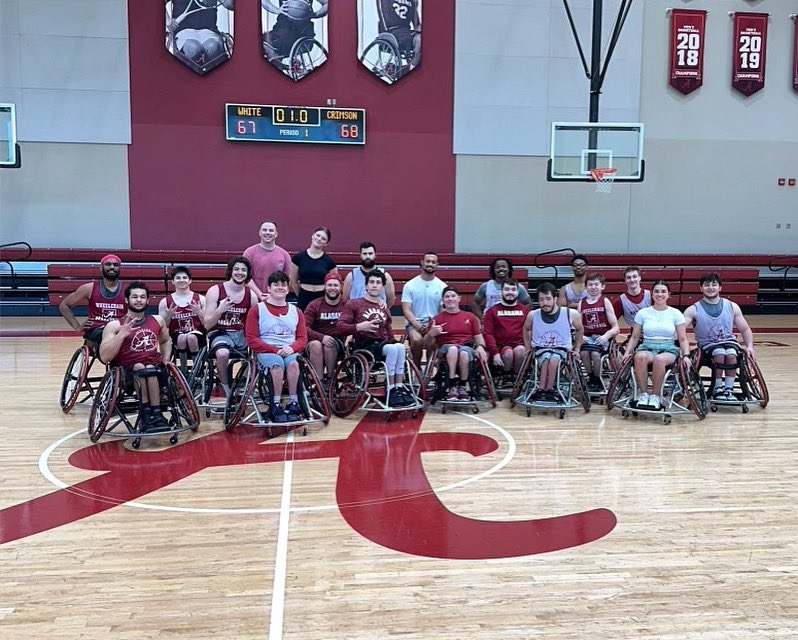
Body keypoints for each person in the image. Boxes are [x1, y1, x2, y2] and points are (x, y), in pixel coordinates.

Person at [99, 282, 172, 432]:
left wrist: (166, 360)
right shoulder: (114, 325)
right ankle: (145, 414)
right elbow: (105, 356)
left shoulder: (158, 320)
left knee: (150, 368)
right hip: (128, 373)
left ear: (147, 300)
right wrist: (121, 335)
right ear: (126, 300)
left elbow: (166, 340)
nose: (138, 300)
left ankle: (157, 414)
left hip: (155, 369)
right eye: (134, 297)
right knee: (140, 367)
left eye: (142, 297)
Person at [338, 270, 411, 407]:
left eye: (378, 283)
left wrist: (394, 340)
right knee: (391, 349)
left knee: (399, 347)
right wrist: (359, 327)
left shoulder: (383, 307)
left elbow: (388, 329)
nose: (374, 285)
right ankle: (390, 388)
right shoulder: (354, 304)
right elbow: (340, 326)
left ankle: (399, 386)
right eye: (371, 282)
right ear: (366, 286)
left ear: (382, 287)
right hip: (364, 346)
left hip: (382, 345)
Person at [245, 270, 308, 423]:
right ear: (269, 288)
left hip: (289, 348)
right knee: (277, 365)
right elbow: (252, 339)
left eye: (283, 285)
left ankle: (294, 402)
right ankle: (276, 404)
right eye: (276, 285)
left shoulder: (296, 311)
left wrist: (292, 348)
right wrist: (275, 350)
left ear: (288, 288)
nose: (280, 288)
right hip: (267, 349)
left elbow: (302, 338)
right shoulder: (257, 309)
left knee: (293, 364)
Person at [682, 272, 756, 400]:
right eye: (706, 285)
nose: (710, 287)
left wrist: (750, 346)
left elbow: (745, 329)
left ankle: (728, 389)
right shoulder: (693, 309)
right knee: (720, 352)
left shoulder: (732, 306)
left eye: (714, 284)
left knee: (732, 354)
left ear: (720, 287)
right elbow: (680, 330)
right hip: (707, 345)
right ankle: (717, 388)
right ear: (701, 288)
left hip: (729, 341)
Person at [623, 280, 691, 411]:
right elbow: (635, 337)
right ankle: (643, 394)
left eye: (663, 291)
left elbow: (682, 339)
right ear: (652, 295)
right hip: (648, 345)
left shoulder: (676, 313)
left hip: (668, 348)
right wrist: (627, 352)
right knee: (640, 357)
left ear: (668, 295)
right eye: (657, 291)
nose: (660, 294)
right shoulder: (643, 313)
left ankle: (655, 396)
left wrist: (686, 355)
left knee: (659, 360)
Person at [204, 256, 259, 396]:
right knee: (223, 353)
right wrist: (220, 310)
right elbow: (207, 324)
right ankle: (225, 386)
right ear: (230, 271)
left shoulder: (251, 295)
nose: (240, 273)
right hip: (219, 332)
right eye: (236, 269)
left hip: (240, 334)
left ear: (248, 274)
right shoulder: (215, 290)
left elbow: (253, 324)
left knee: (258, 350)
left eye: (243, 270)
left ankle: (246, 383)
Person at [522, 282, 584, 401]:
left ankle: (549, 389)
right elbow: (525, 329)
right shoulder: (533, 315)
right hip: (541, 349)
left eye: (548, 299)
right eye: (541, 300)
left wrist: (577, 348)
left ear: (555, 299)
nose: (544, 303)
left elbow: (580, 329)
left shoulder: (570, 313)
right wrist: (527, 347)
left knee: (554, 358)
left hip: (561, 349)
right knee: (546, 357)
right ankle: (541, 389)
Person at [428, 286, 488, 401]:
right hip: (446, 349)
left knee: (464, 352)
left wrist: (480, 347)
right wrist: (431, 333)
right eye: (447, 296)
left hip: (466, 347)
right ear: (443, 300)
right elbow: (427, 344)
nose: (450, 299)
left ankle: (462, 386)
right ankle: (451, 386)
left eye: (453, 296)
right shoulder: (437, 319)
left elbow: (478, 337)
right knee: (453, 349)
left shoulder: (470, 317)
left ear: (459, 298)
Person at [59, 254, 126, 352]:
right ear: (101, 268)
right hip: (96, 330)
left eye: (115, 265)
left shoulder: (128, 290)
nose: (112, 267)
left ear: (120, 268)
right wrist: (77, 326)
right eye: (108, 264)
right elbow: (64, 305)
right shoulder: (89, 288)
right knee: (109, 338)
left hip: (118, 329)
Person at [401, 251, 446, 366]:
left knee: (431, 341)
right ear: (422, 263)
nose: (430, 264)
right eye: (428, 261)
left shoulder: (442, 286)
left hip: (433, 323)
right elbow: (406, 310)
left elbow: (442, 311)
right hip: (414, 323)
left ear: (437, 265)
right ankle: (417, 369)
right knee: (416, 340)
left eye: (433, 262)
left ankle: (429, 371)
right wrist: (417, 325)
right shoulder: (410, 285)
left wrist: (432, 324)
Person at [158, 266, 206, 372]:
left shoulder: (201, 299)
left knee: (191, 338)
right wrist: (169, 315)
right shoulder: (165, 302)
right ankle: (183, 372)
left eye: (184, 277)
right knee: (182, 338)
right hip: (175, 337)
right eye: (178, 278)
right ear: (173, 282)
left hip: (198, 336)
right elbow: (162, 329)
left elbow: (208, 324)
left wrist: (199, 312)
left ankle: (197, 370)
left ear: (190, 281)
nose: (181, 280)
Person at [577, 273, 620, 391]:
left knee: (596, 354)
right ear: (586, 287)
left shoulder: (605, 301)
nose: (593, 287)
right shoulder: (582, 303)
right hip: (588, 336)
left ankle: (598, 379)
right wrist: (581, 336)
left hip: (602, 335)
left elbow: (616, 328)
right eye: (590, 285)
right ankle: (591, 378)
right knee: (584, 353)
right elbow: (577, 326)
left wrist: (606, 336)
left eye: (596, 284)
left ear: (602, 287)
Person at [303, 272, 346, 384]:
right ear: (325, 287)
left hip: (337, 342)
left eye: (335, 285)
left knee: (329, 344)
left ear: (341, 287)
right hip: (315, 340)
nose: (333, 288)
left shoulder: (347, 305)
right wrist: (322, 337)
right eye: (330, 285)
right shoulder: (314, 305)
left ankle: (331, 381)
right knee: (316, 345)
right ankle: (319, 382)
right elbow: (304, 327)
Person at [167, 0, 234, 71]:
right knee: (193, 47)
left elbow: (230, 5)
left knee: (212, 46)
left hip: (210, 31)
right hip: (183, 32)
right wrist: (168, 21)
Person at [482, 279, 528, 376]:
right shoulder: (492, 311)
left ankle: (517, 378)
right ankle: (506, 376)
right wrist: (495, 353)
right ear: (501, 291)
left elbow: (530, 332)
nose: (510, 292)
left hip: (520, 345)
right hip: (500, 348)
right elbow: (488, 334)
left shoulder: (525, 311)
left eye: (513, 289)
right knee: (508, 353)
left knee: (520, 351)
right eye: (507, 289)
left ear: (518, 292)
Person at [261, 0, 328, 66]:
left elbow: (327, 3)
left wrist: (315, 15)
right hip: (283, 27)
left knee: (271, 47)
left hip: (300, 32)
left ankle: (278, 67)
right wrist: (276, 10)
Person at [289, 226, 337, 310]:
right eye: (318, 235)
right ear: (313, 236)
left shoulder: (330, 262)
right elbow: (293, 280)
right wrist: (301, 294)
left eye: (323, 238)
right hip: (304, 296)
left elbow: (335, 282)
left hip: (322, 298)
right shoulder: (298, 258)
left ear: (326, 243)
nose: (319, 239)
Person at [243, 220, 292, 300]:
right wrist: (260, 294)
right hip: (252, 298)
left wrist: (274, 295)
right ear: (259, 233)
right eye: (265, 230)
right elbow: (246, 277)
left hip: (276, 299)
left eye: (271, 230)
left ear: (276, 234)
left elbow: (287, 280)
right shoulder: (249, 253)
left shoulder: (284, 255)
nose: (268, 233)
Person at [343, 241, 396, 307]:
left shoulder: (385, 276)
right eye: (365, 254)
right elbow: (345, 299)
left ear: (375, 255)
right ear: (360, 255)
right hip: (357, 315)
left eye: (370, 253)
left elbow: (390, 300)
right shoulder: (351, 276)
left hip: (377, 315)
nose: (367, 256)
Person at [375, 0, 421, 70]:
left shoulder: (411, 1)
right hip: (392, 32)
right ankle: (411, 68)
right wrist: (385, 33)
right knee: (419, 40)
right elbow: (382, 15)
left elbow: (417, 25)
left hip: (407, 32)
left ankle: (412, 66)